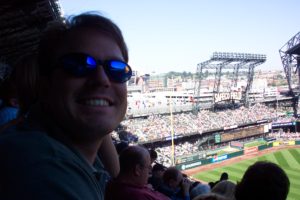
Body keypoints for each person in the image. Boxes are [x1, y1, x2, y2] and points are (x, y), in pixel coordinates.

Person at [0, 12, 132, 200]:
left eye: (118, 69)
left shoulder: (54, 146)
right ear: (45, 86)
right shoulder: (44, 171)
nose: (102, 79)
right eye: (79, 65)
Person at [105, 145, 170, 200]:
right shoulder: (136, 195)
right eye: (148, 167)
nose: (150, 171)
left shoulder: (120, 184)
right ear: (137, 169)